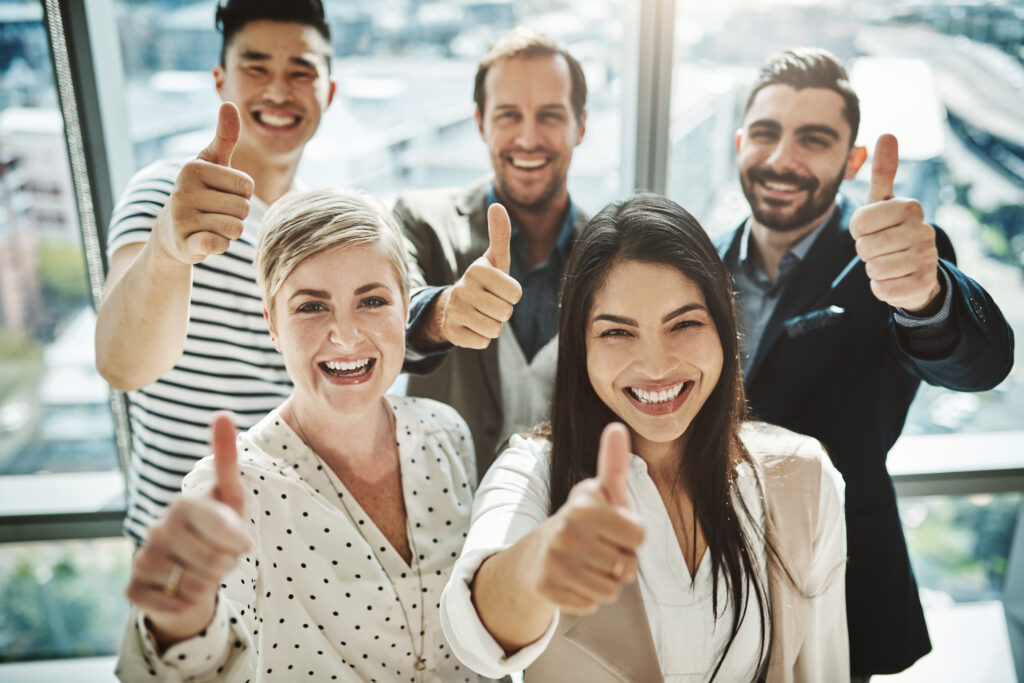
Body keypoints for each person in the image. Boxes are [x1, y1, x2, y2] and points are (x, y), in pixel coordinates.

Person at [440, 194, 849, 682]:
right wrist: (541, 563)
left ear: (723, 328)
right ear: (580, 348)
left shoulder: (802, 475)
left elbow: (822, 670)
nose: (656, 366)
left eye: (685, 324)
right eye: (617, 333)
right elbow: (474, 630)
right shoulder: (533, 470)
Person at [722, 48, 1015, 678]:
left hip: (839, 578)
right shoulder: (696, 261)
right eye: (767, 134)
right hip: (706, 581)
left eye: (814, 139)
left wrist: (925, 298)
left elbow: (978, 366)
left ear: (853, 161)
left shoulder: (892, 261)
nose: (781, 159)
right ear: (741, 141)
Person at [115, 189, 487, 682]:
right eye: (312, 307)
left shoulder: (447, 435)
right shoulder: (230, 489)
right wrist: (180, 626)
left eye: (372, 300)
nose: (347, 335)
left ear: (405, 310)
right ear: (273, 324)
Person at [95, 0, 337, 543]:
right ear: (220, 79)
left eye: (301, 71)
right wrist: (168, 248)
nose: (278, 90)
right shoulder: (167, 193)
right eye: (255, 68)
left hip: (295, 557)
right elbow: (121, 366)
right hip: (179, 558)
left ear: (329, 90)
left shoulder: (321, 228)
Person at [396, 27, 589, 470]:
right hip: (442, 519)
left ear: (581, 124)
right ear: (480, 122)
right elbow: (388, 319)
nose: (527, 138)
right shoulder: (421, 222)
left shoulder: (611, 251)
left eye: (550, 115)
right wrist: (442, 312)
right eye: (508, 115)